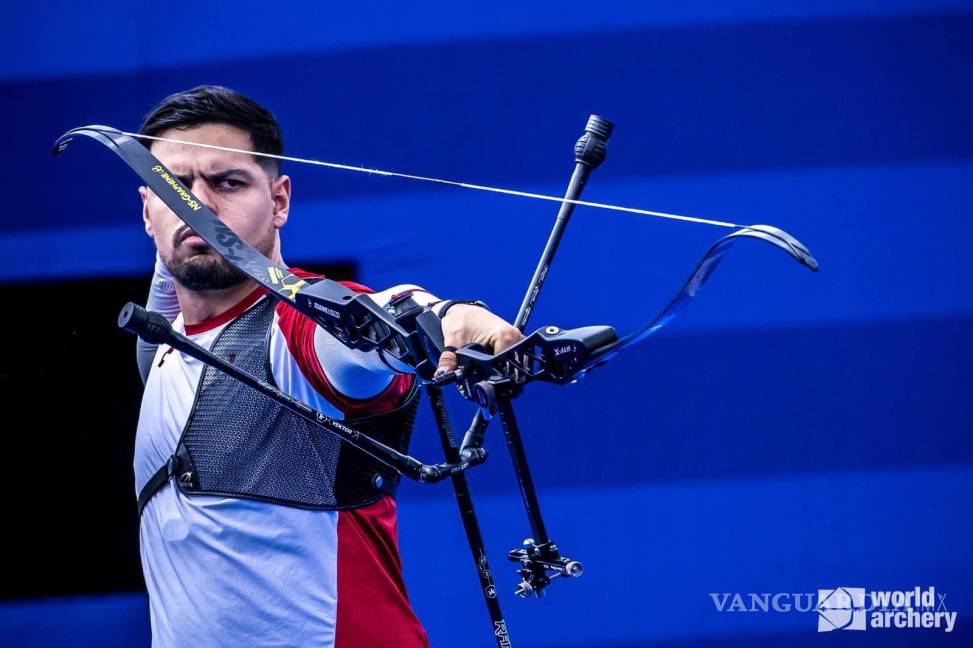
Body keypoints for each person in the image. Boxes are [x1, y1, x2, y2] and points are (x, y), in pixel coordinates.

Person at [133, 85, 521, 647]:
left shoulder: (298, 330)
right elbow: (171, 277)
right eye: (175, 187)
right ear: (148, 210)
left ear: (281, 200)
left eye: (228, 183)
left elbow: (373, 322)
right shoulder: (165, 346)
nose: (199, 205)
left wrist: (448, 316)